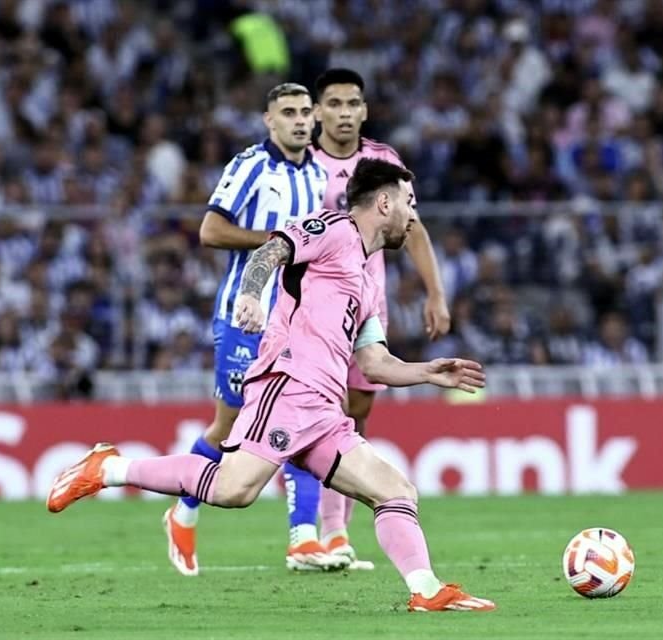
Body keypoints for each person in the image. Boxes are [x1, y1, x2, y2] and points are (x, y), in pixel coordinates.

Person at [47, 159, 496, 613]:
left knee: (396, 491)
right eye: (409, 202)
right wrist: (250, 295)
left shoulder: (366, 278)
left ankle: (426, 589)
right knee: (233, 490)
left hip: (324, 410)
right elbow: (270, 252)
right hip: (287, 386)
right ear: (385, 201)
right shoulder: (334, 229)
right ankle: (107, 469)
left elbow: (374, 363)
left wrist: (427, 372)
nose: (413, 216)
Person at [165, 82, 345, 576]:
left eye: (306, 112)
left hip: (298, 323)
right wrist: (275, 242)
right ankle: (182, 510)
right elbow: (210, 230)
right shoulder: (250, 166)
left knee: (301, 414)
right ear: (269, 120)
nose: (300, 120)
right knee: (228, 429)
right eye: (288, 112)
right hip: (244, 318)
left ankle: (303, 539)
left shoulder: (320, 174)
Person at [310, 68, 450, 567]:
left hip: (368, 304)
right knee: (321, 411)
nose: (345, 113)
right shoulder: (304, 164)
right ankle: (320, 531)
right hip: (315, 307)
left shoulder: (383, 160)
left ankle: (333, 529)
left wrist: (435, 293)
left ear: (364, 110)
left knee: (356, 413)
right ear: (318, 110)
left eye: (353, 103)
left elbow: (412, 228)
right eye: (335, 103)